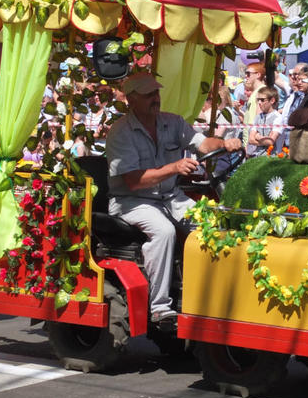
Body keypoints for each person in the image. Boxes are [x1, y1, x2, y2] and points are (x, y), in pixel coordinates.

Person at [104, 73, 242, 322]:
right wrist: (175, 168)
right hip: (131, 201)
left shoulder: (173, 122)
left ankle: (209, 294)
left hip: (169, 196)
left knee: (212, 224)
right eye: (148, 95)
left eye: (155, 93)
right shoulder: (120, 132)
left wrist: (224, 142)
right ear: (131, 99)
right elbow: (133, 181)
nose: (155, 99)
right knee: (164, 231)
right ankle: (160, 307)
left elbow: (202, 143)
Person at [247, 86, 282, 156]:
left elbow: (270, 141)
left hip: (271, 158)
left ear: (272, 100)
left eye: (262, 100)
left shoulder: (278, 118)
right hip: (256, 156)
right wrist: (263, 139)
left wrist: (257, 136)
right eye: (258, 100)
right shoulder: (258, 117)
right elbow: (250, 139)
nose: (259, 102)